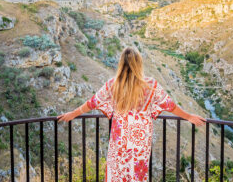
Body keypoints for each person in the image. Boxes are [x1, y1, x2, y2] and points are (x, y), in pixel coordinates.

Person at [58, 46, 206, 182]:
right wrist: (189, 117)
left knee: (117, 173)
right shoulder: (150, 85)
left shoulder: (113, 84)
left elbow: (92, 103)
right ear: (139, 64)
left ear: (121, 63)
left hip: (120, 138)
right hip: (140, 138)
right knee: (137, 174)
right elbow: (169, 105)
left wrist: (73, 113)